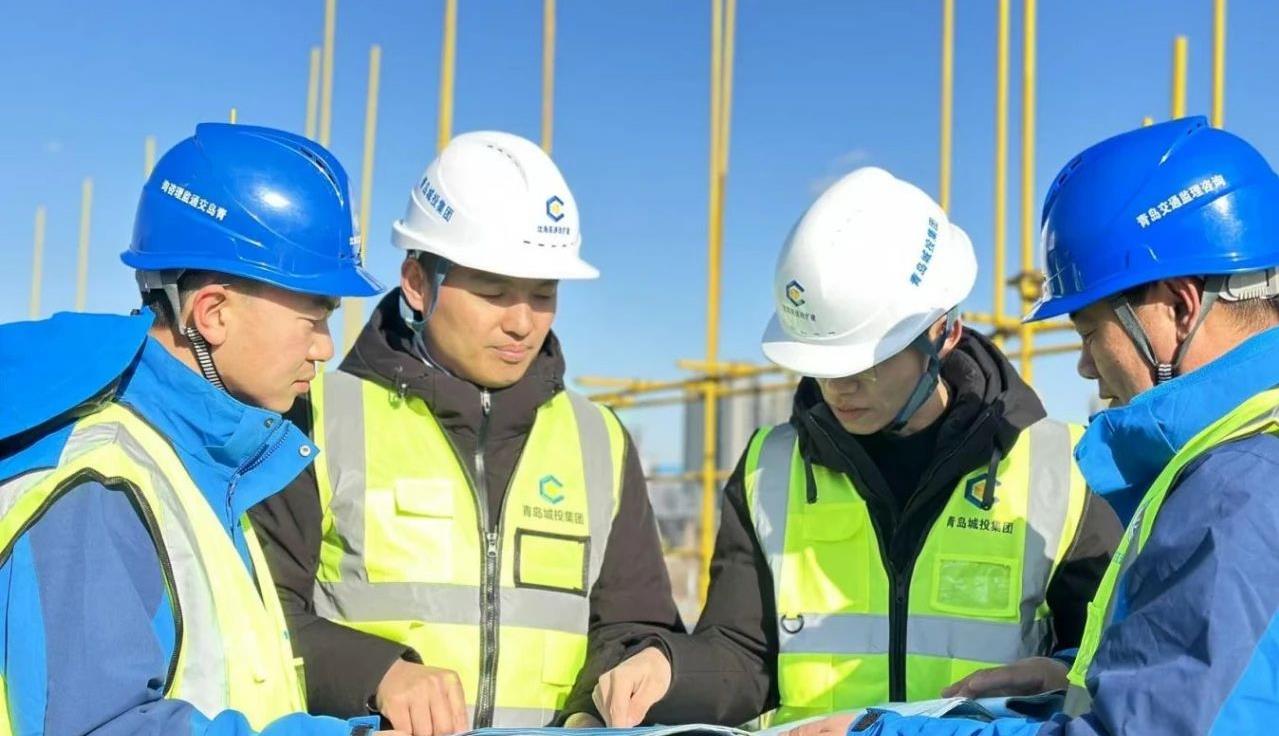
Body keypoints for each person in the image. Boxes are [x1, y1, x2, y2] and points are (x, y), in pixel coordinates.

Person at [588, 166, 1121, 728]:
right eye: (821, 364)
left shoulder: (1063, 469)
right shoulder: (770, 470)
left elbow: (1113, 662)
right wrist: (670, 669)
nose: (838, 387)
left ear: (944, 332)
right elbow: (743, 653)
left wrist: (1063, 672)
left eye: (865, 362)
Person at [812, 116, 1279, 735]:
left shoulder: (1237, 492)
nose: (1085, 365)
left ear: (1178, 306)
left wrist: (882, 732)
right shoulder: (1244, 464)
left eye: (1089, 332)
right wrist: (1075, 673)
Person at [249, 130, 683, 735]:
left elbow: (635, 624)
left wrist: (624, 677)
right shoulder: (313, 416)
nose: (522, 322)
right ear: (417, 282)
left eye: (543, 294)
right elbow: (253, 615)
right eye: (494, 292)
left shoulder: (599, 439)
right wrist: (374, 673)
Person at [0, 123, 399, 734]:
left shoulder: (203, 467)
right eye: (313, 318)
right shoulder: (100, 483)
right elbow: (100, 725)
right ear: (213, 313)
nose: (324, 347)